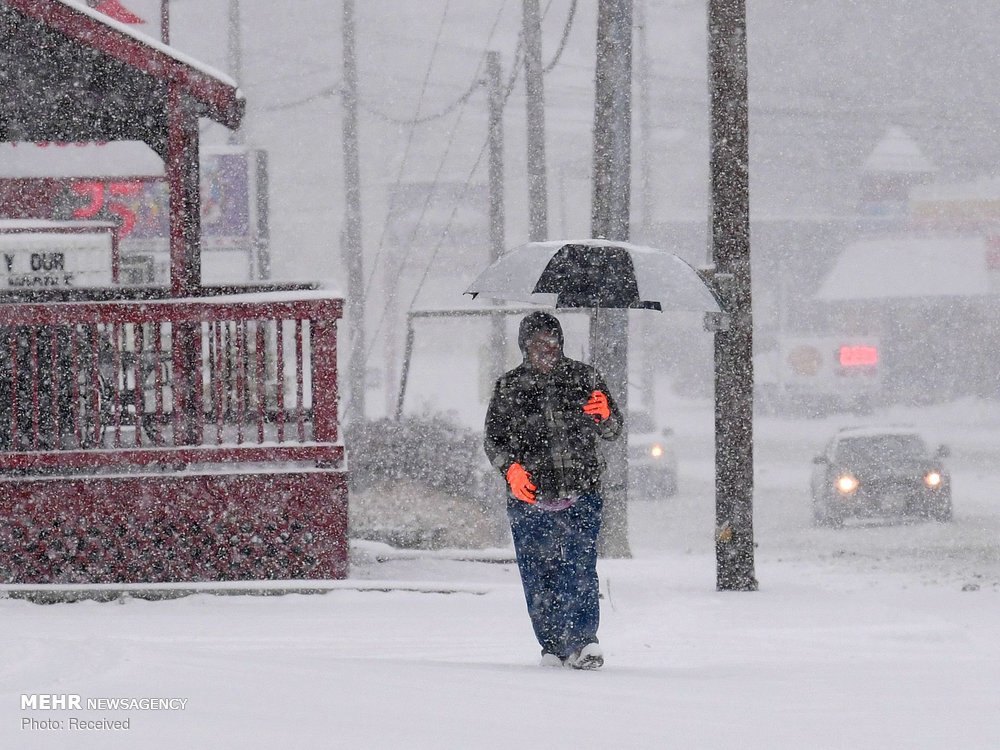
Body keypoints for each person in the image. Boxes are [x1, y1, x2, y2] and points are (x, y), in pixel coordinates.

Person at [484, 311, 623, 669]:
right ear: (524, 346)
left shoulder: (584, 378)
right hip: (529, 500)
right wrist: (510, 469)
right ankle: (553, 646)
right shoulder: (508, 387)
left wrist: (606, 414)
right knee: (538, 573)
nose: (544, 348)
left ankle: (584, 642)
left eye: (551, 340)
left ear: (560, 343)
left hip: (583, 492)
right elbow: (494, 441)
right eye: (536, 342)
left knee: (579, 568)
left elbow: (613, 429)